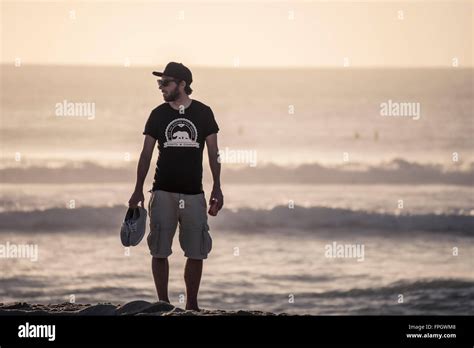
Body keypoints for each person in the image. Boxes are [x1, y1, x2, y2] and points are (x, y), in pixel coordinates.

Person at [128, 62, 223, 311]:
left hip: (194, 193)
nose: (161, 87)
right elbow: (146, 154)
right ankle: (163, 303)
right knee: (159, 250)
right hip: (162, 191)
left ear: (182, 84)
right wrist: (138, 189)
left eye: (165, 82)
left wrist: (217, 187)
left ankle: (192, 305)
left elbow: (214, 153)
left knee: (196, 251)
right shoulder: (158, 114)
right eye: (159, 83)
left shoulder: (203, 113)